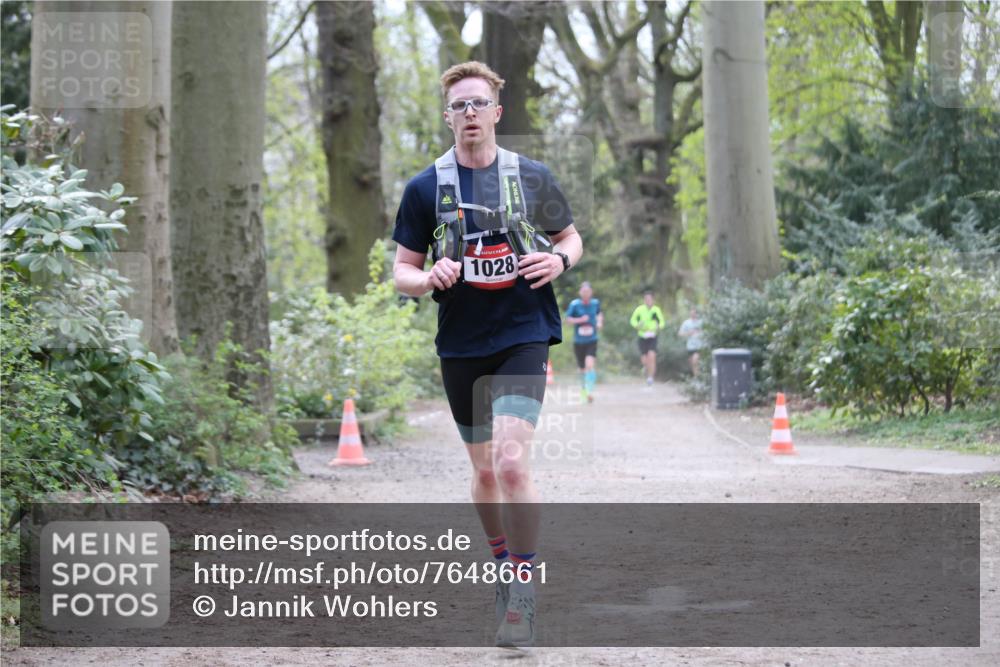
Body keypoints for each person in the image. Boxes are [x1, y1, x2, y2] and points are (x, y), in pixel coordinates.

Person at [391, 61, 582, 648]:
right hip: (462, 343)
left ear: (497, 112)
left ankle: (522, 590)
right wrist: (429, 279)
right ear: (447, 116)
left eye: (478, 104)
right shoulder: (425, 188)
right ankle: (503, 562)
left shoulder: (531, 177)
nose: (469, 114)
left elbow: (570, 238)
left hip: (524, 332)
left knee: (510, 463)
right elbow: (402, 271)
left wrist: (560, 261)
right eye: (458, 106)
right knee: (481, 472)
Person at [564, 282, 602, 402]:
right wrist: (580, 320)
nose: (586, 293)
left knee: (589, 365)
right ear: (580, 293)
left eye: (588, 291)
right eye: (583, 291)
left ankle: (589, 392)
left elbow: (599, 313)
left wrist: (600, 322)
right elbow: (568, 320)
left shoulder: (595, 303)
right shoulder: (574, 304)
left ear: (591, 292)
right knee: (581, 369)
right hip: (579, 341)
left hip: (592, 340)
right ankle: (583, 390)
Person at [629, 290, 665, 385]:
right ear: (644, 300)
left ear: (653, 300)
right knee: (644, 359)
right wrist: (637, 326)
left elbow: (662, 322)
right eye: (646, 299)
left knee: (652, 356)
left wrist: (658, 327)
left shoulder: (656, 310)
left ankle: (650, 378)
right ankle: (646, 368)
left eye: (650, 299)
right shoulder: (639, 309)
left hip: (653, 336)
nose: (648, 300)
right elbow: (632, 320)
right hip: (642, 336)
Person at [678, 306, 705, 376]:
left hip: (700, 346)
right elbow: (680, 333)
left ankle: (698, 378)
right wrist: (688, 333)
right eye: (691, 313)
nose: (693, 314)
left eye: (694, 313)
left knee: (695, 360)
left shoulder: (701, 322)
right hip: (690, 346)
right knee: (692, 363)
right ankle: (697, 377)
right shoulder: (686, 323)